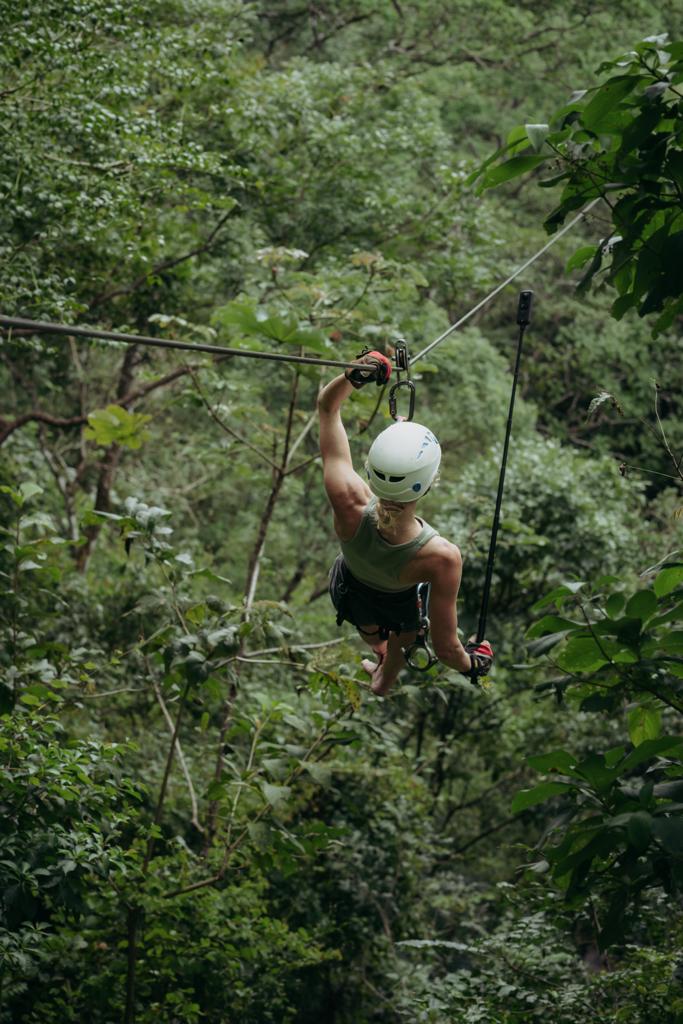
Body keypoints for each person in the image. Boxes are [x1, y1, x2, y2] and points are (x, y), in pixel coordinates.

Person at [317, 351, 493, 696]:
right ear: (429, 483)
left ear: (370, 468)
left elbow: (327, 408)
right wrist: (475, 662)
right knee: (409, 622)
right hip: (398, 612)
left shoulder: (346, 497)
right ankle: (385, 676)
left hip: (349, 596)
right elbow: (446, 649)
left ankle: (379, 658)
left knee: (376, 618)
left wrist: (353, 376)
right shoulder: (441, 557)